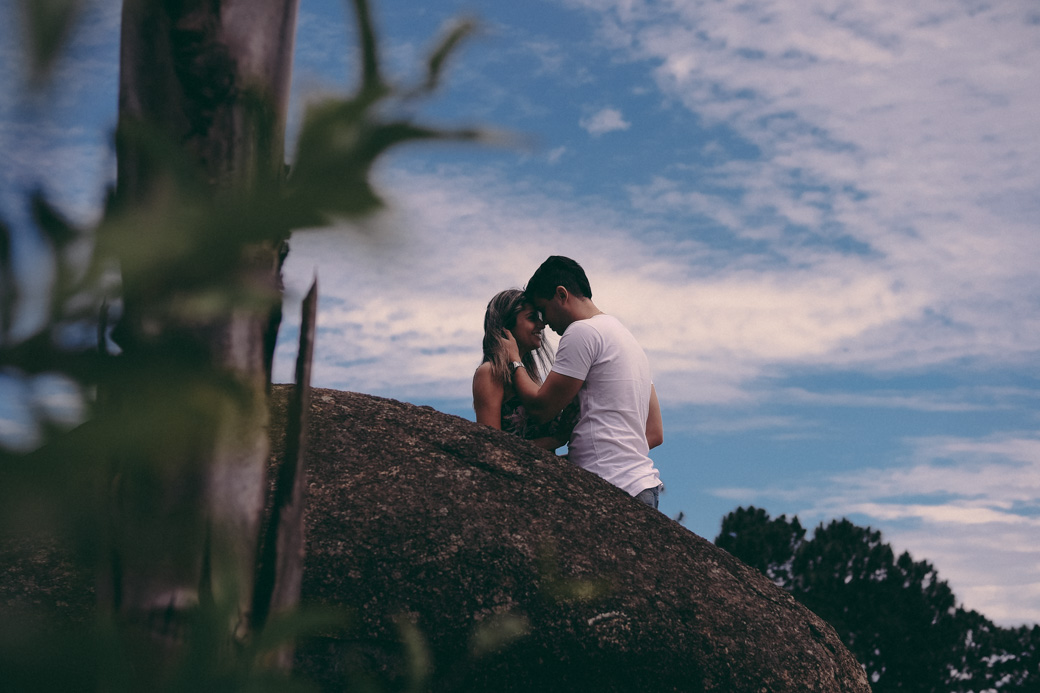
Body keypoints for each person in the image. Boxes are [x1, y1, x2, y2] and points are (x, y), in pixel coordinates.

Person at [502, 256, 664, 508]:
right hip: (643, 486)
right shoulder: (627, 340)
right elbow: (654, 433)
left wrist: (514, 360)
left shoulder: (582, 332)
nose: (544, 323)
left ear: (561, 294)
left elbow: (541, 409)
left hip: (610, 488)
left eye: (543, 310)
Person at [472, 289, 578, 451]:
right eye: (531, 318)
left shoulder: (528, 376)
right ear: (506, 326)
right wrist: (555, 440)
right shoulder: (490, 373)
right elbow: (492, 447)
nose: (542, 325)